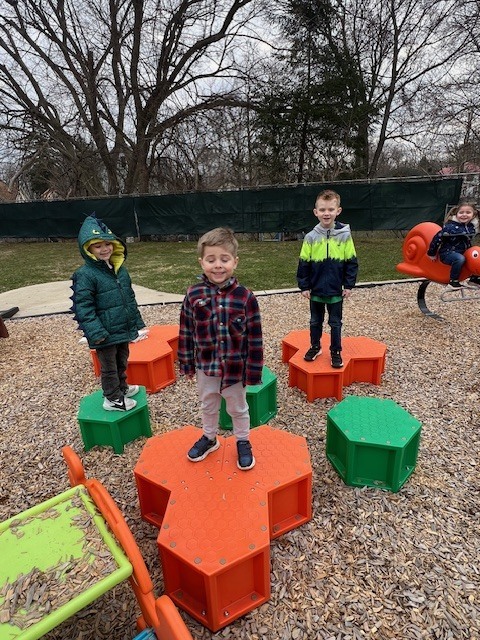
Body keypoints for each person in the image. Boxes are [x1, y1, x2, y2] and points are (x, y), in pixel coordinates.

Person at [178, 227, 263, 470]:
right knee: (208, 404)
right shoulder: (193, 295)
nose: (218, 265)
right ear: (201, 262)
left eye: (224, 260)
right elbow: (186, 331)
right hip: (207, 366)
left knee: (238, 407)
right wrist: (187, 363)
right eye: (211, 259)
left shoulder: (245, 297)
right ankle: (209, 437)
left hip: (235, 368)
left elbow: (255, 337)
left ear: (235, 262)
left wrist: (253, 371)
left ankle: (243, 440)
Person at [71, 214, 146, 411]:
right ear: (87, 249)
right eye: (98, 246)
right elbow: (83, 307)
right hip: (104, 332)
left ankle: (121, 387)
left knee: (122, 360)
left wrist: (136, 322)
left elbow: (129, 297)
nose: (105, 249)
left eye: (108, 244)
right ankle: (112, 398)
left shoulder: (120, 269)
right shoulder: (85, 275)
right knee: (109, 367)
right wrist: (96, 332)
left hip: (121, 327)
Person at [296, 189, 358, 368]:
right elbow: (303, 264)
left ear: (338, 211)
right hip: (315, 289)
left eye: (330, 209)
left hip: (335, 290)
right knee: (315, 321)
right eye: (322, 210)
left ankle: (335, 351)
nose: (326, 213)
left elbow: (351, 262)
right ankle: (315, 346)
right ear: (316, 212)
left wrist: (349, 285)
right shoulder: (310, 238)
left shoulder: (345, 236)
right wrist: (304, 286)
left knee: (335, 322)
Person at [427, 200, 480, 289]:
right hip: (448, 253)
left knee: (476, 255)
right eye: (461, 212)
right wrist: (432, 253)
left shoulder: (472, 226)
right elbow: (438, 238)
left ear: (473, 214)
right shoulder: (450, 227)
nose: (464, 215)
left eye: (468, 212)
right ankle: (453, 281)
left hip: (463, 252)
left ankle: (474, 279)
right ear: (456, 214)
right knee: (459, 258)